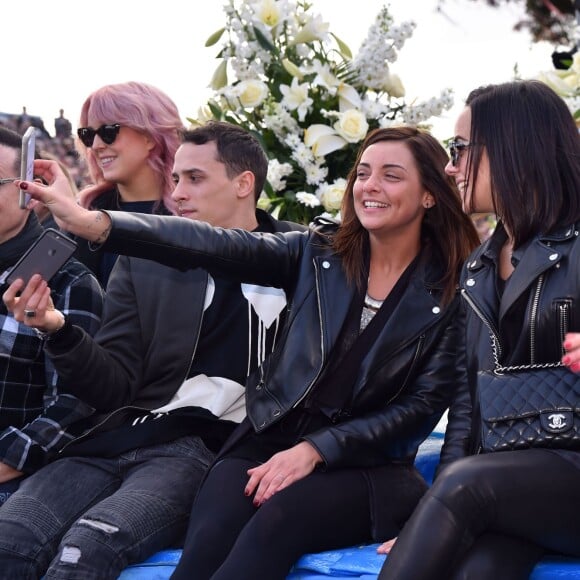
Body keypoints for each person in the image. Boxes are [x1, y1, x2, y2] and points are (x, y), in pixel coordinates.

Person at [19, 125, 480, 579]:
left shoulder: (455, 291)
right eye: (362, 173)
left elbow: (421, 408)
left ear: (429, 195)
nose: (370, 186)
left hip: (368, 465)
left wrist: (317, 450)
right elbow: (211, 244)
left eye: (391, 175)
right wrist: (96, 224)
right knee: (205, 547)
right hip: (266, 444)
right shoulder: (315, 253)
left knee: (274, 527)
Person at [0, 121, 304, 579]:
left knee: (85, 550)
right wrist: (57, 330)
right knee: (10, 539)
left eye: (195, 179)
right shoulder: (141, 260)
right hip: (117, 436)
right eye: (176, 178)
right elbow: (113, 385)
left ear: (245, 184)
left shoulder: (306, 259)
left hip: (208, 449)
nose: (178, 193)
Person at [378, 79, 580, 580]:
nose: (449, 166)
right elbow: (467, 409)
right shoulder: (479, 268)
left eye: (460, 148)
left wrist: (450, 496)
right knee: (478, 569)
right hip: (512, 483)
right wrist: (433, 515)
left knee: (469, 487)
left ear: (514, 145)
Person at [0, 127, 103, 505]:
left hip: (16, 479)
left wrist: (7, 459)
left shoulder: (68, 282)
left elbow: (74, 406)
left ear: (30, 190)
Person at [73, 81, 183, 288]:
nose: (96, 146)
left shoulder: (191, 212)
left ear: (150, 136)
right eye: (88, 135)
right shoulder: (85, 210)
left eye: (108, 132)